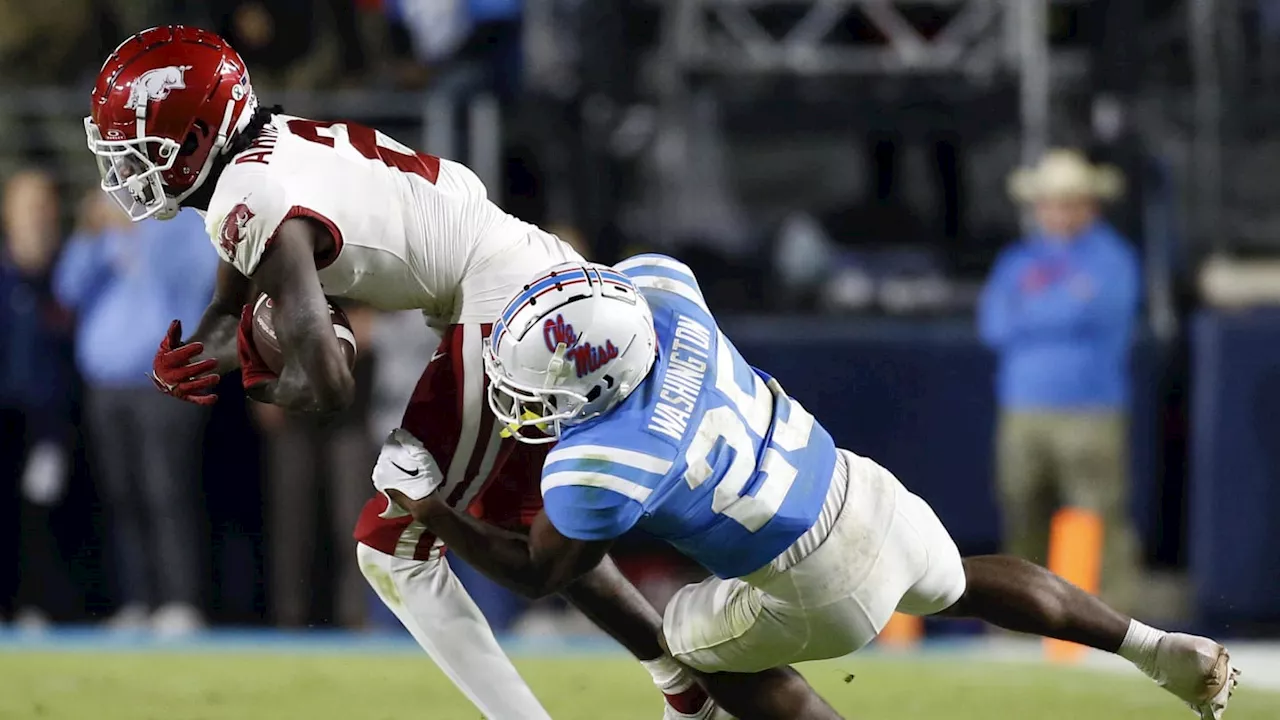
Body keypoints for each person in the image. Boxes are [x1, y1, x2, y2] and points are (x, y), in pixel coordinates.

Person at [84, 25, 724, 720]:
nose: (126, 170)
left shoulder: (252, 196)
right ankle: (687, 689)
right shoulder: (265, 153)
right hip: (513, 280)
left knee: (393, 550)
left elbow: (330, 387)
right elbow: (233, 308)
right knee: (532, 526)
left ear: (202, 135)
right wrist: (195, 357)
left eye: (142, 149)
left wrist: (265, 377)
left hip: (504, 301)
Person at [377, 256, 1239, 720]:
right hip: (861, 491)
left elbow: (539, 572)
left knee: (686, 638)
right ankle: (1157, 649)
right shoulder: (665, 296)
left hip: (815, 580)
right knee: (961, 580)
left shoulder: (598, 463)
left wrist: (428, 507)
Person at [978, 149, 1141, 612]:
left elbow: (1100, 311)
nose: (1057, 211)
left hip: (1090, 408)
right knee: (1021, 510)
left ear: (1091, 205)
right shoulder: (1017, 258)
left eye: (1069, 201)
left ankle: (1115, 618)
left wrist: (1031, 311)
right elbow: (993, 324)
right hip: (1023, 407)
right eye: (1049, 201)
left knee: (1098, 515)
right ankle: (1020, 614)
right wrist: (1062, 307)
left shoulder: (1113, 258)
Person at [54, 187, 217, 636]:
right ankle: (137, 599)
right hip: (106, 385)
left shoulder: (183, 222)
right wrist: (90, 238)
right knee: (120, 496)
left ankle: (181, 600)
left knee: (167, 491)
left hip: (163, 382)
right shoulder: (100, 225)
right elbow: (67, 288)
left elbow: (197, 283)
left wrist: (143, 235)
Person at [0, 169, 76, 628]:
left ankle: (37, 604)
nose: (35, 217)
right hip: (5, 410)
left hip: (49, 416)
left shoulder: (64, 273)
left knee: (41, 516)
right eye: (26, 207)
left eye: (42, 207)